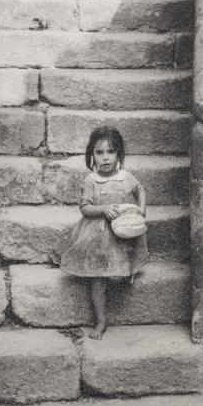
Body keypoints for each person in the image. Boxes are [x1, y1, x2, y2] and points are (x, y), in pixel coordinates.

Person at [60, 127, 148, 340]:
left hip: (123, 235)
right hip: (98, 238)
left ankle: (127, 272)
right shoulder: (91, 181)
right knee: (98, 279)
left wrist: (142, 209)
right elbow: (85, 207)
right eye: (99, 153)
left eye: (111, 151)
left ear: (119, 154)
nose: (105, 157)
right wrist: (103, 209)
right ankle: (101, 320)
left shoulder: (126, 177)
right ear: (92, 156)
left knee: (125, 263)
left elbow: (140, 189)